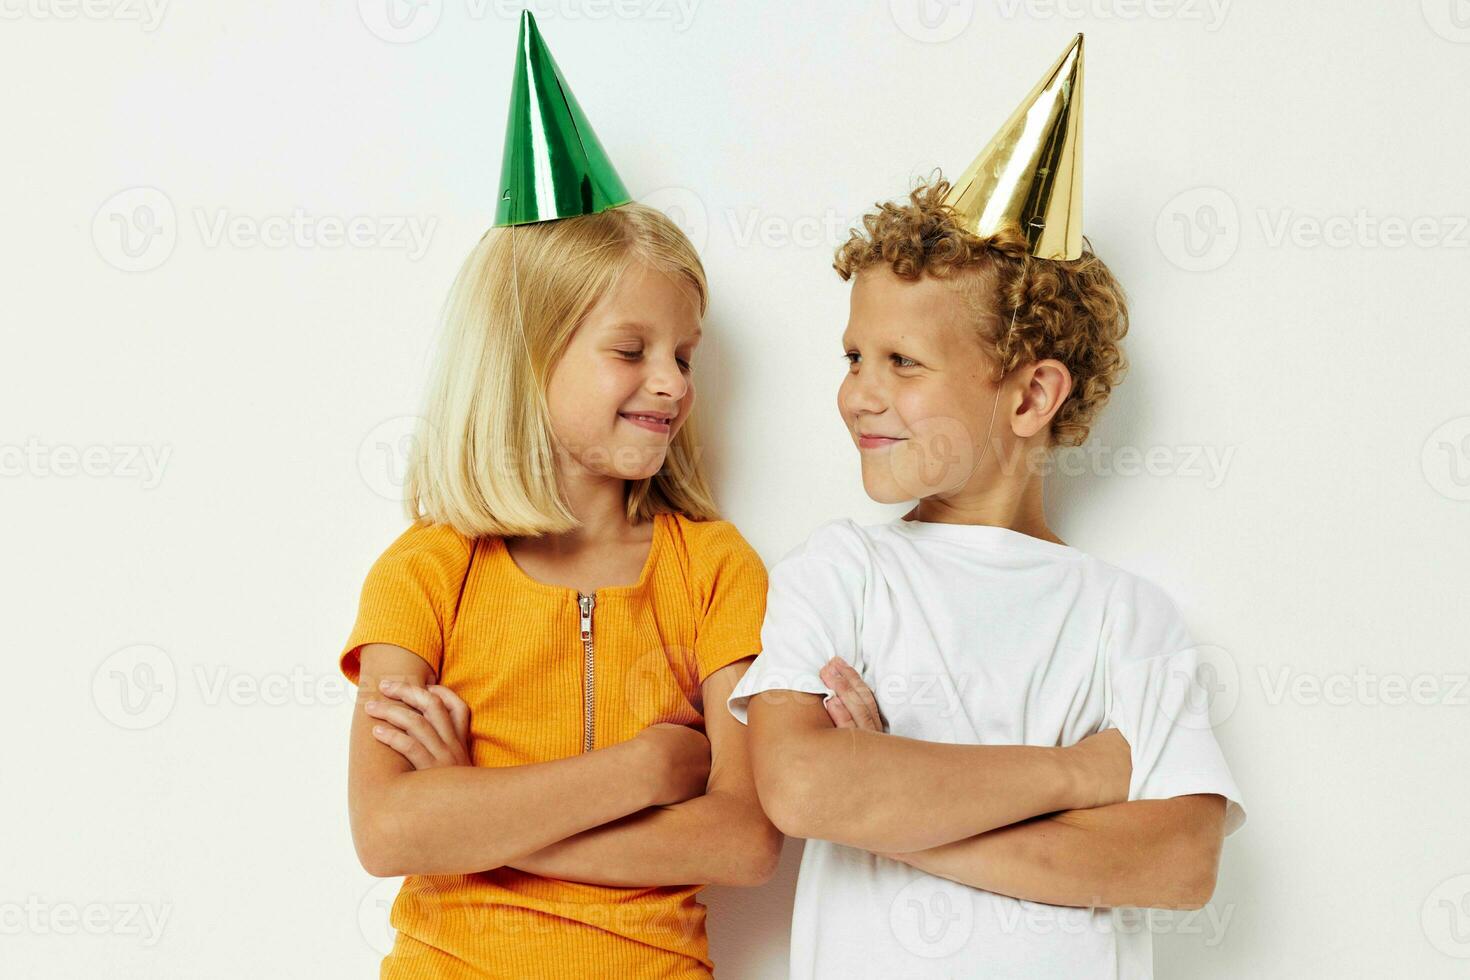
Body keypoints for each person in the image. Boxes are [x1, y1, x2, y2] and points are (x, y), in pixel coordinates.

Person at [726, 34, 1246, 979]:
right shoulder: (843, 573)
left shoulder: (1124, 619)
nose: (857, 394)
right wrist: (1078, 777)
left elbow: (1178, 861)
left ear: (1029, 396)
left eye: (902, 363)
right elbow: (803, 785)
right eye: (853, 356)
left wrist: (893, 806)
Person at [338, 12, 777, 978]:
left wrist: (478, 817)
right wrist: (645, 771)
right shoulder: (429, 570)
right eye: (631, 350)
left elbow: (743, 839)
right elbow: (387, 828)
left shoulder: (713, 570)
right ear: (525, 357)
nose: (672, 383)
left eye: (685, 355)